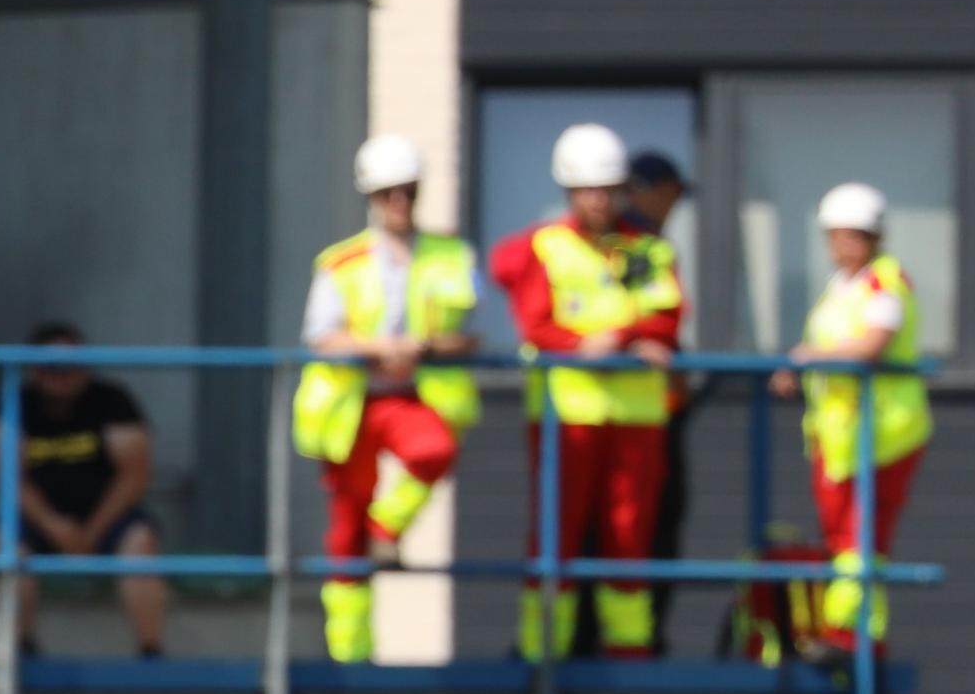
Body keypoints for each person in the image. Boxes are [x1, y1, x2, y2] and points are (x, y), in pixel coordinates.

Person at [491, 121, 682, 659]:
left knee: (629, 534)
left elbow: (667, 317)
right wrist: (590, 345)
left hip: (636, 416)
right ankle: (541, 651)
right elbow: (536, 326)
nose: (600, 200)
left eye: (608, 188)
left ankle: (629, 650)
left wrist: (616, 336)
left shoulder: (647, 247)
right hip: (565, 414)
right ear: (570, 191)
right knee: (556, 532)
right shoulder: (543, 247)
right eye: (589, 190)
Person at [292, 133, 480, 662]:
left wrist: (420, 347)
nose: (400, 203)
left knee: (433, 450)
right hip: (351, 404)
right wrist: (378, 346)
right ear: (371, 198)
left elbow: (470, 335)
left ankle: (386, 527)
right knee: (345, 534)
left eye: (408, 192)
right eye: (388, 193)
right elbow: (321, 336)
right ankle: (350, 659)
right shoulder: (340, 262)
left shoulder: (451, 254)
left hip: (409, 397)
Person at [760, 181, 933, 665]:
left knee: (861, 540)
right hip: (837, 438)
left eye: (853, 235)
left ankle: (848, 637)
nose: (842, 246)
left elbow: (872, 343)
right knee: (846, 543)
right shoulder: (839, 290)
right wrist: (796, 371)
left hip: (882, 435)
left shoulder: (885, 282)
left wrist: (810, 357)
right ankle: (859, 637)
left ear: (874, 238)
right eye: (835, 236)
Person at [0, 322, 162, 660]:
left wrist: (92, 531)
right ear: (34, 369)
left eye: (74, 365)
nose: (64, 376)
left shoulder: (112, 400)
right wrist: (55, 527)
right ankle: (21, 650)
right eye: (52, 367)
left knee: (140, 541)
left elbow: (135, 476)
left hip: (106, 516)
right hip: (37, 519)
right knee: (6, 543)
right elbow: (9, 479)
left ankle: (151, 652)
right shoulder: (12, 402)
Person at [627, 149, 697, 563]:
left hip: (653, 404)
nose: (674, 204)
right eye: (671, 193)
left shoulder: (645, 241)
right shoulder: (636, 244)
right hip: (640, 408)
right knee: (651, 514)